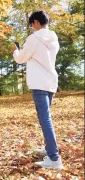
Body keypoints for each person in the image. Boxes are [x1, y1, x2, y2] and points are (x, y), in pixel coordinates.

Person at [12, 10, 63, 169]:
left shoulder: (34, 38)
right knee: (46, 118)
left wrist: (15, 50)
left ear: (35, 22)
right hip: (50, 83)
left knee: (45, 120)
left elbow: (21, 59)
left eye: (31, 24)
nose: (32, 28)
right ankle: (49, 149)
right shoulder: (54, 39)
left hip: (39, 84)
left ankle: (54, 159)